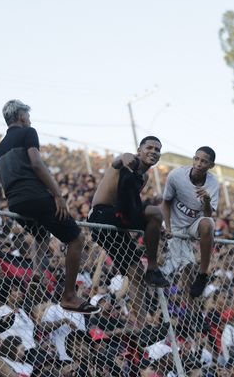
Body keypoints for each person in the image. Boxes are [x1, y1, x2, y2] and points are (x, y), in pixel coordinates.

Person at [0, 99, 99, 314]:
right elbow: (36, 163)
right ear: (22, 117)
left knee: (41, 235)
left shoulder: (0, 146)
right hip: (35, 196)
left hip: (15, 202)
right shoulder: (28, 131)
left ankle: (36, 273)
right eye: (28, 116)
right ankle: (69, 295)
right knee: (76, 238)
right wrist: (58, 195)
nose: (30, 120)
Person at [88, 136, 169, 327]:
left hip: (121, 219)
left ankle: (141, 326)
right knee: (152, 213)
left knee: (136, 273)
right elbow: (117, 162)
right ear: (139, 150)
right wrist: (124, 158)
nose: (154, 151)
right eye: (149, 147)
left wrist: (154, 228)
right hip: (102, 215)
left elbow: (130, 204)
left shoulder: (145, 177)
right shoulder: (126, 160)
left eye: (157, 149)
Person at [161, 146, 220, 297]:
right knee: (185, 267)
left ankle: (203, 273)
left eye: (204, 161)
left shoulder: (213, 183)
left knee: (208, 224)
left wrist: (206, 200)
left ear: (211, 166)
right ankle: (185, 305)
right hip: (174, 224)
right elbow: (166, 202)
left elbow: (208, 214)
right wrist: (168, 227)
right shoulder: (176, 175)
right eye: (197, 159)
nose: (199, 163)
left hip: (193, 224)